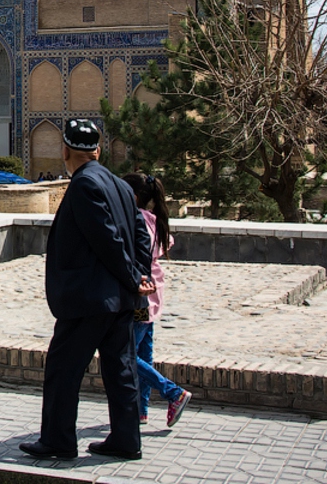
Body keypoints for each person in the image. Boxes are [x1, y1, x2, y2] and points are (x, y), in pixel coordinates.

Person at [20, 119, 154, 462]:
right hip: (121, 300)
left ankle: (58, 441)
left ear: (65, 151)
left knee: (64, 370)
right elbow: (141, 235)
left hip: (89, 299)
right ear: (97, 150)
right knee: (121, 370)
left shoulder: (83, 186)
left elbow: (105, 238)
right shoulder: (120, 185)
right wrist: (138, 275)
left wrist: (129, 275)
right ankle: (126, 440)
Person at [121, 173, 192, 428]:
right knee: (143, 352)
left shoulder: (135, 221)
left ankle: (174, 393)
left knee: (126, 354)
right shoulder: (153, 220)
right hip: (155, 294)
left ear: (133, 196)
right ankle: (141, 410)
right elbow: (162, 247)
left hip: (141, 297)